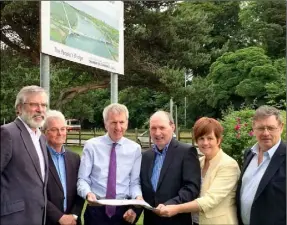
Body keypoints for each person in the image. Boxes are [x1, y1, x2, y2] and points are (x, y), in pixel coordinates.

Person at [159, 117, 240, 225]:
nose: (205, 143)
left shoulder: (228, 165)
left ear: (219, 140)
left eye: (210, 138)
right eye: (201, 138)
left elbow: (209, 200)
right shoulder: (199, 162)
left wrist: (176, 208)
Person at [77, 103, 143, 225]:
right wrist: (88, 193)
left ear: (127, 123)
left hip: (123, 212)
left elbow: (134, 182)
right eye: (113, 122)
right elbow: (82, 179)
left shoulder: (135, 149)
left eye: (122, 122)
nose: (118, 127)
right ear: (105, 123)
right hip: (96, 210)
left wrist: (138, 198)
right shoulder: (91, 146)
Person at [139, 111, 201, 225]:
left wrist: (171, 204)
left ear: (172, 127)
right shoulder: (146, 156)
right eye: (153, 128)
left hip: (176, 220)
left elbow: (192, 187)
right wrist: (134, 209)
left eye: (162, 127)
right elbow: (143, 189)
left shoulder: (186, 152)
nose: (157, 133)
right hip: (150, 221)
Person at [1, 85, 49, 225]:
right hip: (12, 219)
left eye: (44, 105)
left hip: (37, 216)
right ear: (19, 108)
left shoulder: (41, 138)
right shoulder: (7, 133)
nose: (40, 109)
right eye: (34, 104)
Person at [236, 105, 286, 225]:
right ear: (253, 128)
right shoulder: (249, 154)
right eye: (260, 128)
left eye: (271, 128)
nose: (265, 133)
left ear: (281, 127)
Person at [43, 110, 84, 225]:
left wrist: (74, 215)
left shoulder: (75, 158)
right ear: (44, 132)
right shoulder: (38, 158)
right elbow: (37, 194)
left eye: (62, 129)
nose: (60, 133)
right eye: (54, 129)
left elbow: (81, 188)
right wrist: (59, 217)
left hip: (73, 221)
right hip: (48, 220)